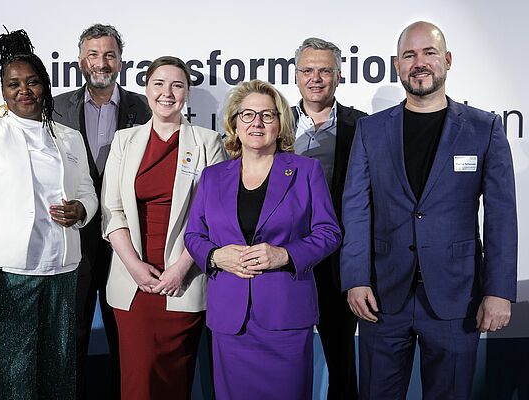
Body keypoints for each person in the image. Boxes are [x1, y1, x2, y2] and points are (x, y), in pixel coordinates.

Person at [340, 21, 517, 400]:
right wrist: (355, 278)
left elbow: (501, 216)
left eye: (429, 53)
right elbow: (356, 209)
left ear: (447, 60)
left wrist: (499, 290)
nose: (419, 63)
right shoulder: (370, 131)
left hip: (458, 297)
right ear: (397, 65)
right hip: (382, 299)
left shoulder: (484, 128)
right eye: (409, 55)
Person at [0, 29, 97, 399]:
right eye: (13, 84)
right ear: (3, 90)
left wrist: (81, 210)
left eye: (31, 82)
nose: (23, 90)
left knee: (60, 370)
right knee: (15, 375)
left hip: (63, 271)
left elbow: (87, 193)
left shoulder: (68, 137)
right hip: (9, 276)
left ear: (44, 86)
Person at [185, 79, 342, 400]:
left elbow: (329, 232)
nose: (256, 123)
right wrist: (215, 257)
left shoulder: (305, 171)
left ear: (280, 123)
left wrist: (284, 254)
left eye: (267, 116)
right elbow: (194, 235)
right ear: (234, 122)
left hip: (284, 317)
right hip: (231, 320)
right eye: (247, 115)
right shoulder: (213, 177)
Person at [100, 56, 226, 400]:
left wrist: (180, 269)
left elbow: (216, 220)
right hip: (134, 285)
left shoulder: (207, 142)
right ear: (146, 90)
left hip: (182, 282)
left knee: (174, 382)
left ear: (187, 93)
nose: (167, 93)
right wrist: (135, 268)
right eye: (159, 83)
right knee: (139, 382)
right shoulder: (125, 141)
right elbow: (111, 212)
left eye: (177, 85)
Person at [53, 23, 150, 399]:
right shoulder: (57, 108)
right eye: (93, 54)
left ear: (121, 62)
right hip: (73, 237)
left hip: (126, 237)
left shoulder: (143, 108)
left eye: (109, 54)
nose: (101, 62)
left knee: (123, 333)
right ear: (80, 61)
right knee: (73, 332)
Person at [292, 37, 367, 400]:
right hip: (285, 262)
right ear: (296, 76)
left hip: (339, 261)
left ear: (338, 76)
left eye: (324, 70)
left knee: (341, 362)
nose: (316, 78)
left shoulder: (364, 127)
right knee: (286, 360)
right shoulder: (273, 124)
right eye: (308, 70)